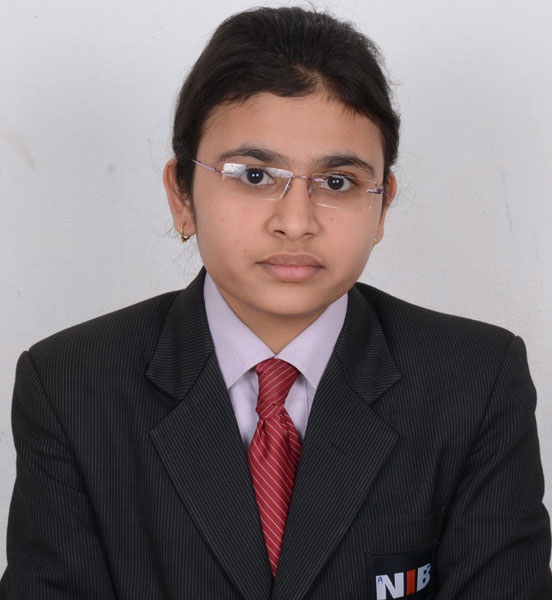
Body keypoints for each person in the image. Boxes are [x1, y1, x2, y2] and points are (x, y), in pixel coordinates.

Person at [1, 6, 551, 599]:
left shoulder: (476, 382)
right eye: (254, 175)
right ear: (182, 196)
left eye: (337, 182)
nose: (295, 222)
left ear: (382, 206)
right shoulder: (71, 386)